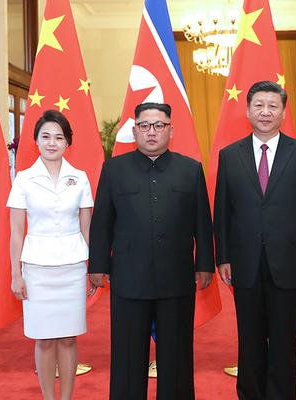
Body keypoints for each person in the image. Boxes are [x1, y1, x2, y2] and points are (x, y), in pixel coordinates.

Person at [88, 102, 214, 400]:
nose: (152, 132)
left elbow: (202, 222)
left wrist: (205, 264)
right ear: (135, 131)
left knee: (177, 356)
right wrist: (98, 265)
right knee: (128, 357)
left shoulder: (190, 170)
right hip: (129, 278)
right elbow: (103, 221)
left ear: (171, 130)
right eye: (144, 126)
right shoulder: (114, 170)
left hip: (177, 278)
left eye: (159, 125)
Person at [214, 81, 296, 400]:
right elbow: (222, 211)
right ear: (248, 110)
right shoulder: (230, 155)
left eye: (272, 106)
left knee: (284, 341)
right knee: (249, 340)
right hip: (245, 263)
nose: (265, 112)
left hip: (290, 263)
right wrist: (223, 256)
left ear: (283, 112)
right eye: (259, 105)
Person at [8, 109, 93, 400]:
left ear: (68, 142)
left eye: (58, 137)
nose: (52, 143)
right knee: (44, 340)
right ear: (36, 141)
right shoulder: (24, 179)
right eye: (46, 136)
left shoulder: (80, 178)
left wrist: (92, 268)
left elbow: (86, 228)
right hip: (37, 269)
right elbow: (16, 232)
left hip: (73, 267)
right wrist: (16, 274)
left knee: (68, 338)